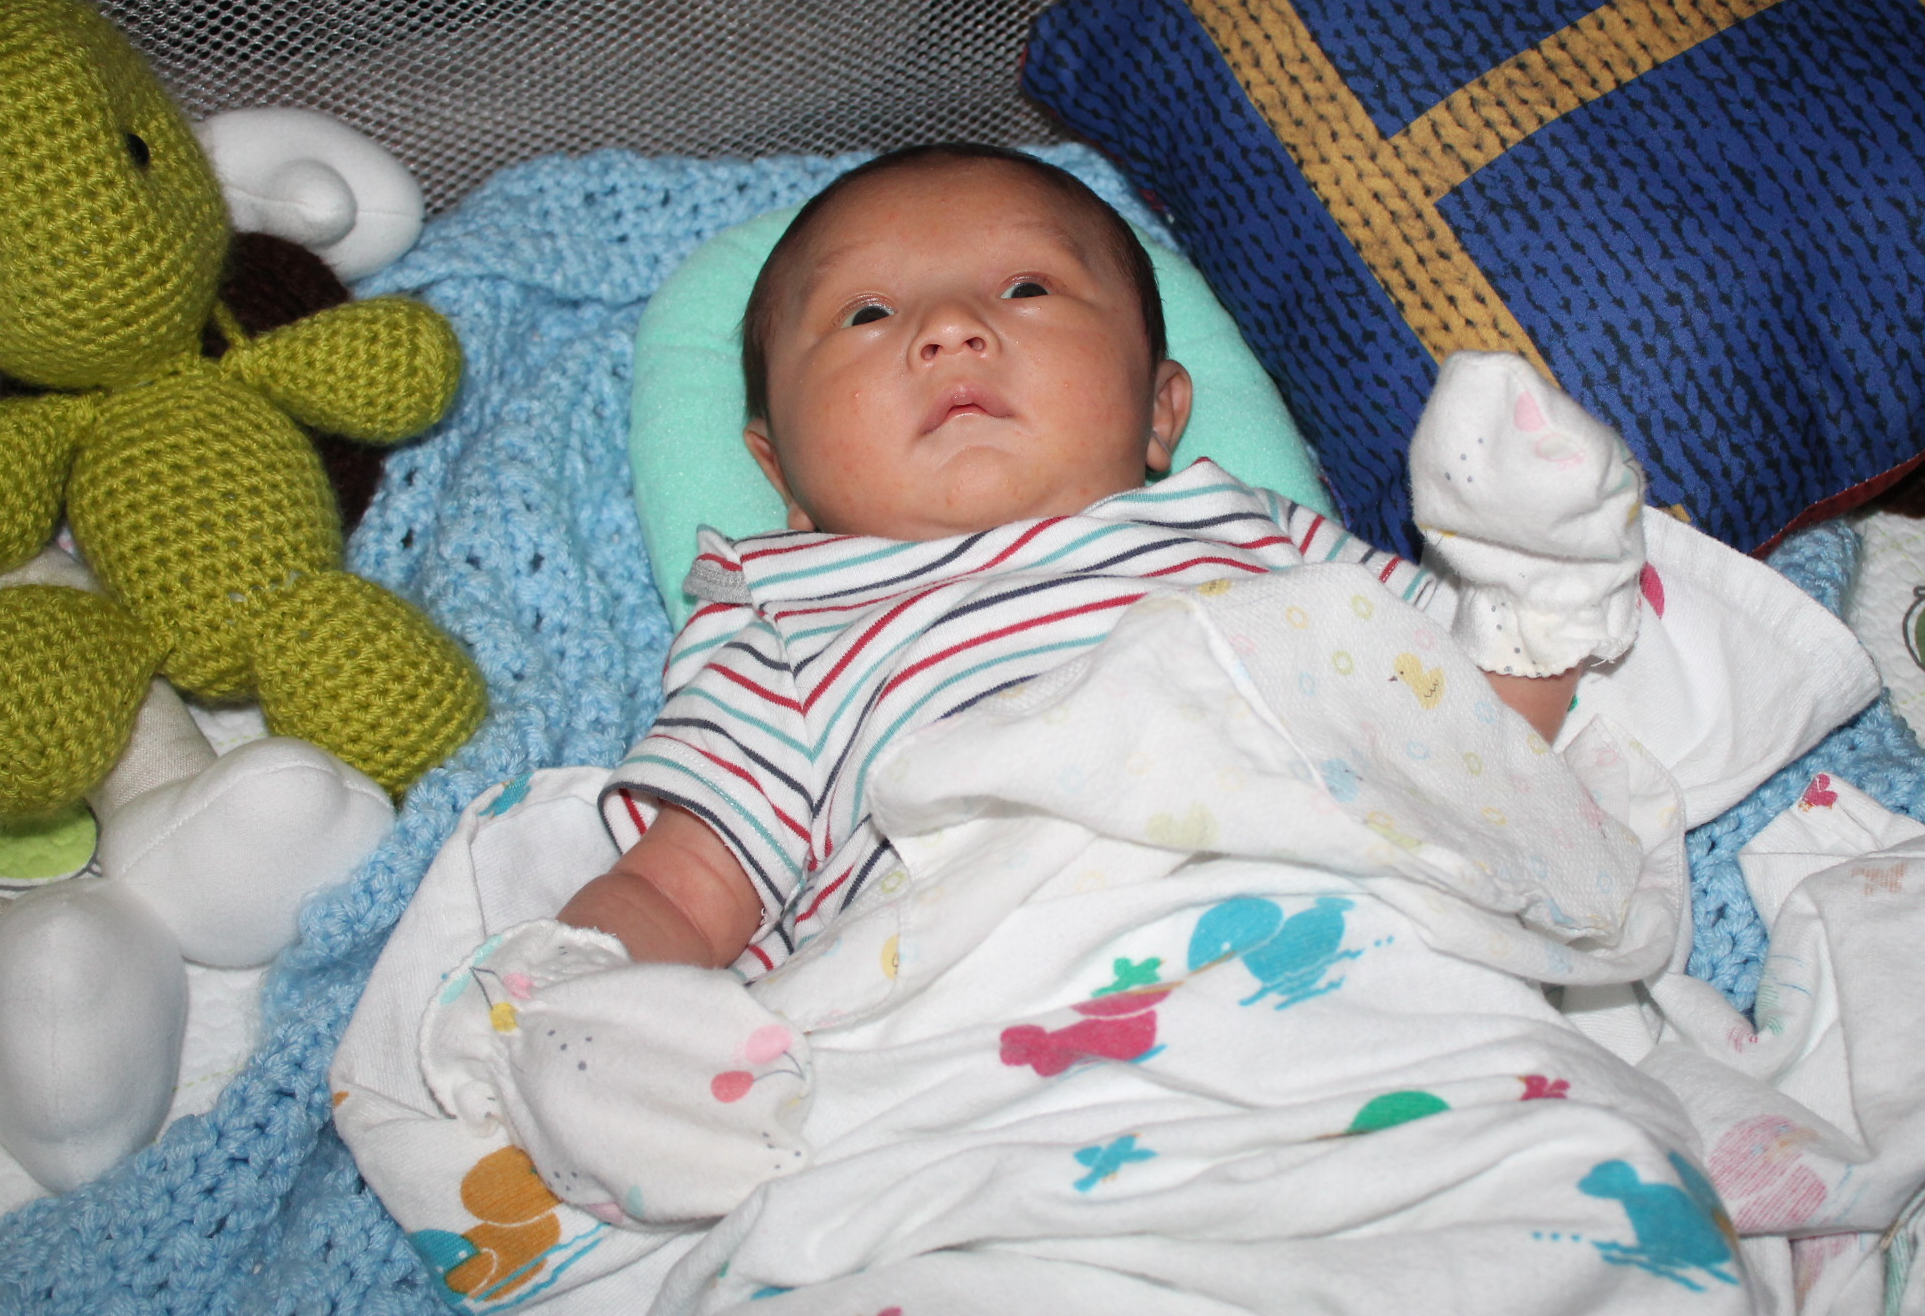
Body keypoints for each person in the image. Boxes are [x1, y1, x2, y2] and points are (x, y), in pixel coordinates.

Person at [558, 143, 1587, 974]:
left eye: (1027, 288)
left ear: (1160, 412)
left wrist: (1535, 604)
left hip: (1349, 944)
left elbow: (1470, 726)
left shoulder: (1247, 528)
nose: (949, 327)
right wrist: (577, 980)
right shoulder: (790, 628)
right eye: (867, 313)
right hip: (996, 1021)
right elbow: (679, 891)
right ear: (781, 474)